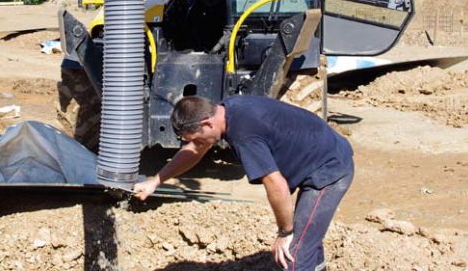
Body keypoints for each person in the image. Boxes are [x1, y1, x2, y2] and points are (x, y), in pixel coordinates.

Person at [133, 95, 354, 271]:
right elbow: (195, 149)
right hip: (320, 156)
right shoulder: (227, 109)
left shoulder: (244, 134)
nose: (197, 144)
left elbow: (277, 186)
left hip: (328, 171)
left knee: (292, 257)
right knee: (307, 243)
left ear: (206, 123)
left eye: (196, 137)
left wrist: (285, 232)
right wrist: (156, 180)